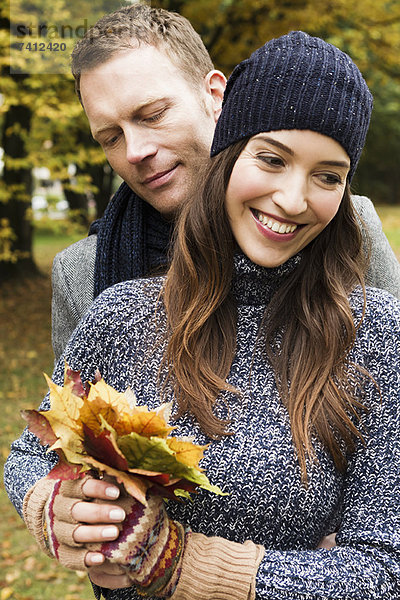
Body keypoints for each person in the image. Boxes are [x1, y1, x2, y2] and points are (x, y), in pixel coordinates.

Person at [5, 31, 400, 599]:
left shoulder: (375, 327)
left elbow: (381, 565)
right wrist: (60, 509)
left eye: (328, 175)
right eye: (110, 136)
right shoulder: (117, 311)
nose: (291, 199)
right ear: (232, 155)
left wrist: (184, 564)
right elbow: (46, 447)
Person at [51, 3, 400, 363]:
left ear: (215, 95)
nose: (135, 152)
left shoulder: (346, 227)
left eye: (153, 115)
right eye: (111, 138)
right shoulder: (84, 274)